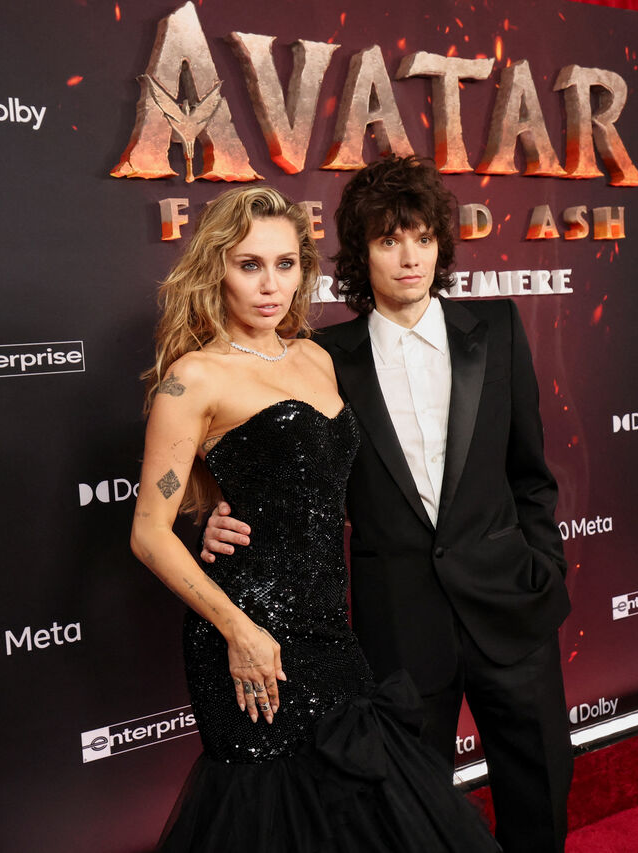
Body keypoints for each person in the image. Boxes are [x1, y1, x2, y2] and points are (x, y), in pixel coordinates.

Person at [202, 156, 573, 852]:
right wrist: (214, 512)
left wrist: (543, 568)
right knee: (407, 820)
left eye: (424, 237)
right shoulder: (320, 356)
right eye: (389, 239)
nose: (410, 257)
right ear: (359, 253)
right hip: (398, 624)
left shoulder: (496, 330)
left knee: (539, 792)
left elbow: (530, 474)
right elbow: (275, 460)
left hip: (511, 605)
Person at [129, 184, 500, 852]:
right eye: (249, 265)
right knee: (272, 818)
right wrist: (239, 630)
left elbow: (307, 484)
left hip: (330, 630)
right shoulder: (194, 378)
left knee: (353, 811)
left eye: (285, 263)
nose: (270, 284)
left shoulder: (316, 357)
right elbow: (149, 531)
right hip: (248, 629)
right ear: (217, 269)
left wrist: (220, 508)